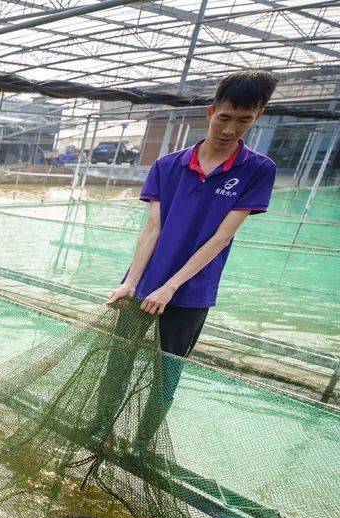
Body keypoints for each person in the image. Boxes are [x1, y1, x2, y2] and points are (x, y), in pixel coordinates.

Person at [94, 70, 278, 449]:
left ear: (256, 117)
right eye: (224, 117)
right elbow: (152, 229)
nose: (230, 129)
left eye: (243, 120)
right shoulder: (168, 165)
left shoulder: (258, 170)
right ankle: (103, 429)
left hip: (191, 291)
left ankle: (143, 444)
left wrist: (171, 286)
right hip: (144, 283)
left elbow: (222, 236)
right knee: (118, 364)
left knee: (167, 372)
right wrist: (132, 282)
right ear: (211, 111)